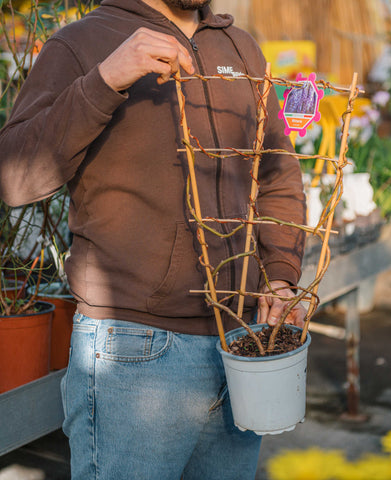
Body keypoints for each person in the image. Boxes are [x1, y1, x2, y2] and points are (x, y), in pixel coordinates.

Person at [0, 0, 307, 478]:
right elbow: (14, 180)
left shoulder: (241, 48)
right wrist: (104, 81)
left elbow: (277, 173)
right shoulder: (81, 44)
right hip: (133, 353)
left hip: (241, 344)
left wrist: (282, 279)